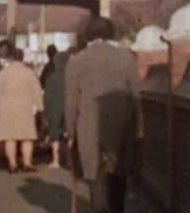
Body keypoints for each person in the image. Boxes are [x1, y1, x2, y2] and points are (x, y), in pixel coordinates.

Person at [65, 17, 141, 213]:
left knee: (96, 179)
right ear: (111, 34)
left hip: (89, 128)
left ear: (88, 36)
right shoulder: (127, 58)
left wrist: (70, 132)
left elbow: (71, 102)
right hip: (121, 128)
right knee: (118, 177)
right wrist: (138, 131)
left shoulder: (77, 61)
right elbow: (136, 98)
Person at [0, 45, 43, 173]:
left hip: (6, 109)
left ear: (11, 58)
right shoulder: (29, 73)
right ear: (22, 58)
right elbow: (37, 91)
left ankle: (13, 164)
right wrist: (40, 107)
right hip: (25, 108)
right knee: (27, 137)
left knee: (10, 137)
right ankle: (27, 163)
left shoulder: (2, 74)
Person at [43, 49, 70, 169]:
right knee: (69, 134)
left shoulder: (51, 78)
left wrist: (46, 111)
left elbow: (47, 97)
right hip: (69, 108)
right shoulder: (72, 77)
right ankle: (69, 160)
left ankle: (56, 160)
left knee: (55, 135)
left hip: (55, 108)